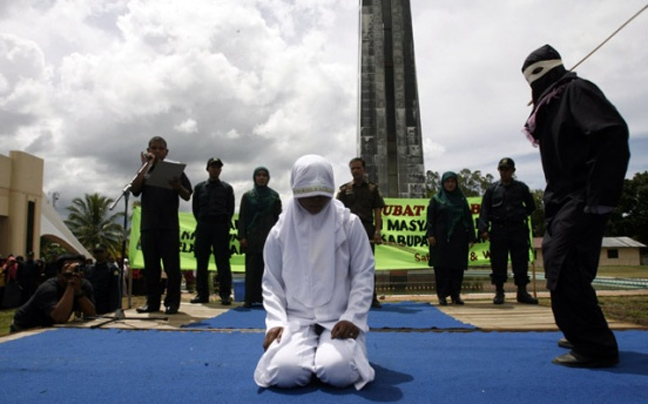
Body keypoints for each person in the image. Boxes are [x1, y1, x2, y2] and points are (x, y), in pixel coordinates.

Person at [521, 44, 630, 368]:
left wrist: (599, 196)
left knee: (562, 263)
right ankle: (579, 329)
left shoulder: (576, 91)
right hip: (560, 199)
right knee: (571, 265)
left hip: (582, 195)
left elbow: (612, 133)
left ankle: (596, 347)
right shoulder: (552, 102)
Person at [254, 155, 375, 390]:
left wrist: (352, 316)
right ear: (295, 190)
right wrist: (276, 322)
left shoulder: (349, 224)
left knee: (338, 372)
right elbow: (272, 282)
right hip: (295, 319)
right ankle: (308, 354)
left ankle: (327, 354)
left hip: (339, 318)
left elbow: (363, 272)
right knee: (284, 373)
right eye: (307, 193)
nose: (315, 200)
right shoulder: (280, 231)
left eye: (322, 193)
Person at [131, 136, 192, 315]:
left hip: (169, 226)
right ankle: (152, 303)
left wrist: (178, 186)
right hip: (148, 226)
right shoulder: (145, 170)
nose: (156, 151)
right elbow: (134, 190)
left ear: (166, 152)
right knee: (151, 268)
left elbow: (187, 195)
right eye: (153, 148)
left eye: (160, 148)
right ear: (148, 150)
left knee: (172, 268)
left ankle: (172, 303)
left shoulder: (175, 171)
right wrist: (144, 167)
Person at [478, 157, 537, 305]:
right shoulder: (492, 190)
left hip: (518, 229)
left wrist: (520, 216)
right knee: (498, 262)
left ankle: (522, 291)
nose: (504, 172)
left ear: (513, 171)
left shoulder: (521, 188)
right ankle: (499, 292)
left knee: (520, 261)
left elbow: (531, 207)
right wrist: (483, 229)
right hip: (499, 229)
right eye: (501, 169)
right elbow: (484, 210)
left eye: (507, 169)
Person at [336, 157, 386, 308]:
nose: (355, 171)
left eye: (358, 168)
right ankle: (348, 298)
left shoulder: (372, 189)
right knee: (347, 264)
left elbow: (377, 212)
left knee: (367, 264)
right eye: (353, 169)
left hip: (366, 229)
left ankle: (371, 297)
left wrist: (377, 231)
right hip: (348, 230)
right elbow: (337, 211)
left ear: (364, 170)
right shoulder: (344, 190)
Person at [10, 253, 96, 333]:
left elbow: (91, 314)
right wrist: (71, 285)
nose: (73, 275)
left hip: (49, 327)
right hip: (25, 327)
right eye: (67, 272)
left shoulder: (84, 285)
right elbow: (59, 318)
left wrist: (79, 292)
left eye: (77, 269)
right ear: (58, 273)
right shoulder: (48, 288)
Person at [426, 172, 476, 305]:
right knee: (441, 268)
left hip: (459, 239)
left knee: (457, 268)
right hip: (440, 239)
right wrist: (430, 234)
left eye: (453, 181)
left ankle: (456, 295)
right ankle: (442, 296)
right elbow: (430, 219)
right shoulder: (436, 199)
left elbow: (468, 219)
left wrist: (471, 236)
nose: (450, 184)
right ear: (443, 183)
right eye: (447, 181)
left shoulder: (461, 200)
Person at [191, 157, 235, 305]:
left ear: (220, 170)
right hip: (204, 226)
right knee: (201, 262)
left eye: (218, 167)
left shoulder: (227, 188)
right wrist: (204, 222)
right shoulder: (199, 188)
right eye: (212, 167)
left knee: (222, 261)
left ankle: (225, 294)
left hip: (220, 227)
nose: (215, 169)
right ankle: (202, 294)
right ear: (207, 169)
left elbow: (230, 209)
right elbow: (195, 209)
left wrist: (222, 222)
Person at [237, 167, 281, 308]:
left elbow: (278, 219)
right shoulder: (248, 196)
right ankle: (249, 298)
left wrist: (278, 237)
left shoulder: (274, 196)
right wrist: (242, 237)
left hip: (269, 238)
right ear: (254, 178)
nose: (261, 178)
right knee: (251, 269)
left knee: (268, 269)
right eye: (259, 175)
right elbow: (242, 217)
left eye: (264, 175)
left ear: (268, 178)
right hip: (252, 238)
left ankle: (267, 299)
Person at [85, 243, 120, 315]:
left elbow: (115, 290)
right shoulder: (89, 268)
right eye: (96, 252)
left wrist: (114, 308)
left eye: (101, 252)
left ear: (106, 253)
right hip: (91, 303)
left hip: (105, 304)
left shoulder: (112, 269)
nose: (98, 254)